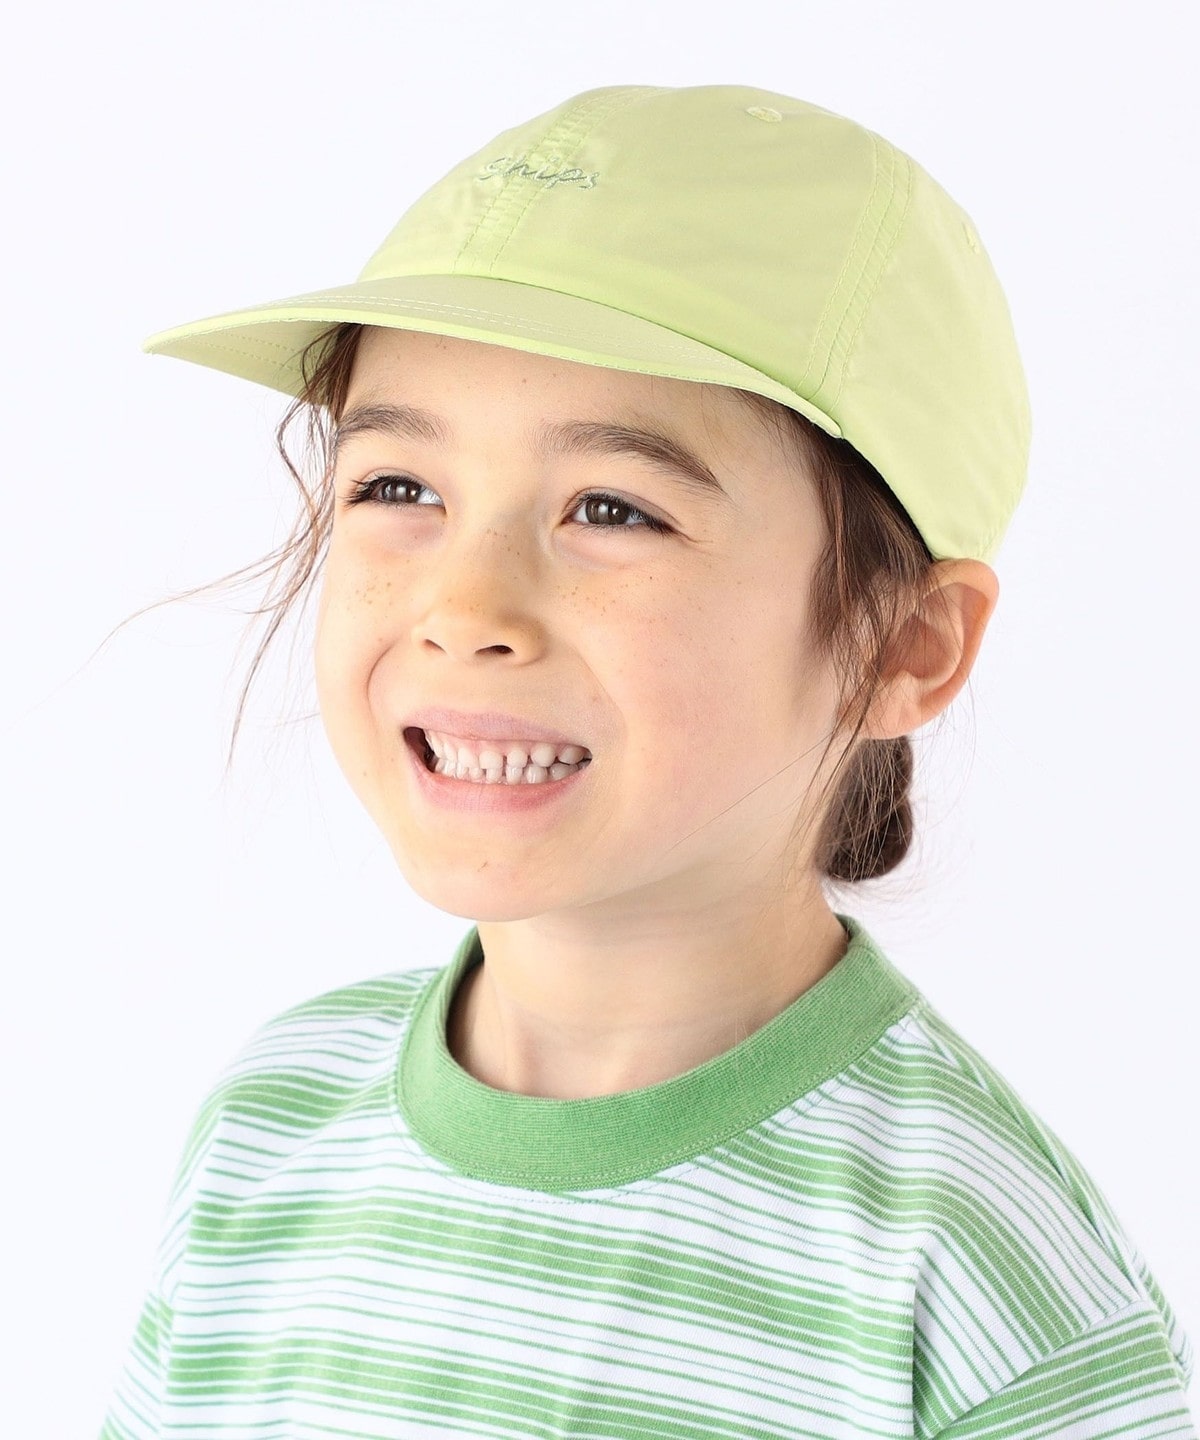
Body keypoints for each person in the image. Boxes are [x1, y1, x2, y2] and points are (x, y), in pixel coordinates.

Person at [98, 83, 1196, 1438]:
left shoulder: (980, 1276)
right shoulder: (267, 1127)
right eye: (400, 488)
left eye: (612, 509)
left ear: (901, 642)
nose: (466, 608)